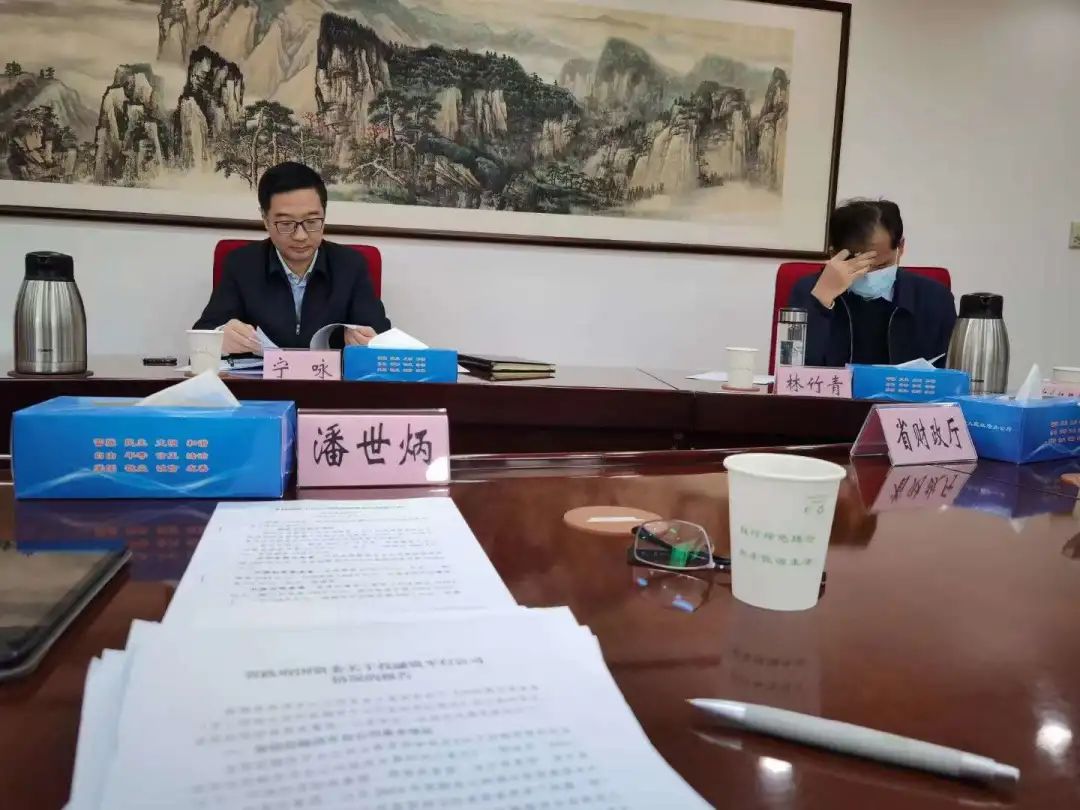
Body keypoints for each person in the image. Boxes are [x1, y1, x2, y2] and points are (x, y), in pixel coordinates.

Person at [194, 161, 390, 353]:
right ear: (265, 220)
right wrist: (220, 338)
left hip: (329, 375)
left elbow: (383, 339)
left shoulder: (351, 266)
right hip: (263, 375)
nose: (301, 236)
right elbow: (201, 338)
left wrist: (370, 342)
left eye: (312, 221)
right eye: (286, 224)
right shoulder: (241, 265)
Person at [787, 199, 955, 367]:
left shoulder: (935, 298)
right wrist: (820, 302)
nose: (869, 275)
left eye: (881, 266)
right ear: (834, 254)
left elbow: (950, 371)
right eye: (859, 266)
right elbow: (791, 368)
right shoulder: (808, 291)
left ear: (901, 247)